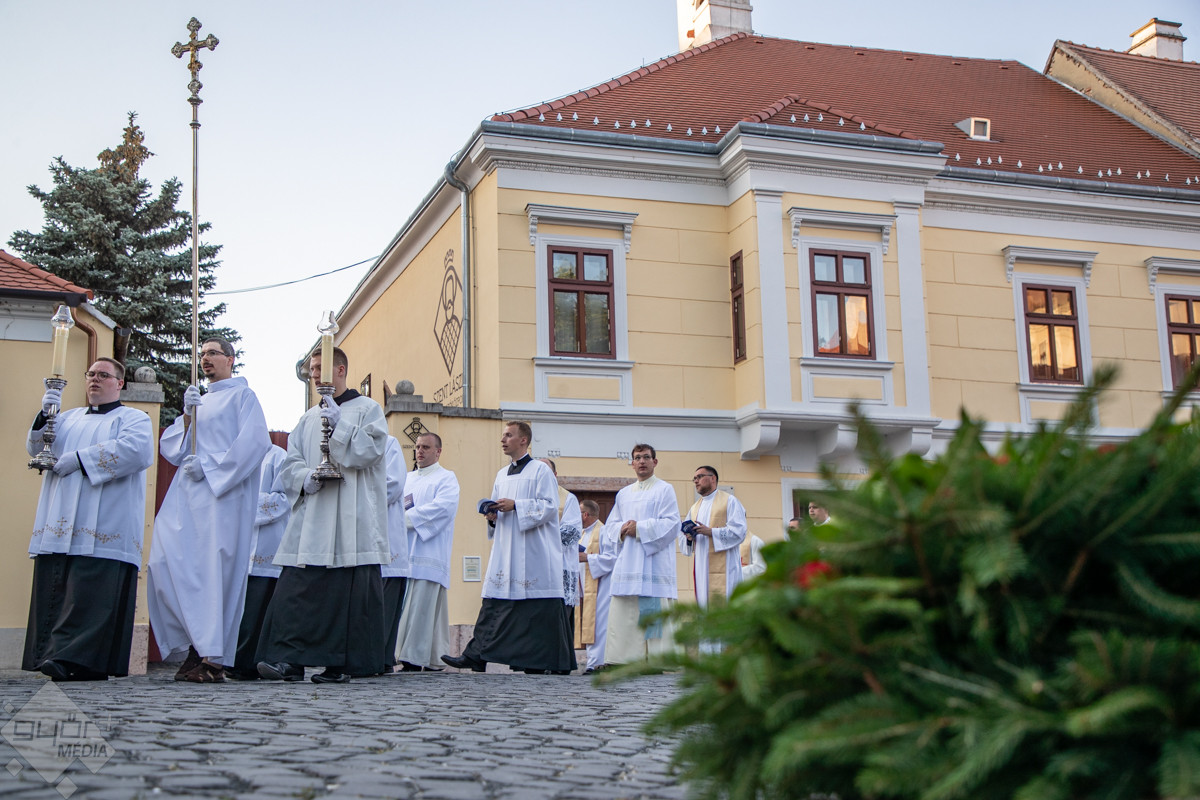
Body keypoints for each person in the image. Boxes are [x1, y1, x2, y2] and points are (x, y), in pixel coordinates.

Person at [256, 346, 390, 684]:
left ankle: (339, 665)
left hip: (350, 517)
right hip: (313, 516)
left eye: (319, 367)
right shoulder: (307, 418)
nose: (314, 374)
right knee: (297, 590)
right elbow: (291, 461)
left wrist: (341, 426)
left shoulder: (368, 409)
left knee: (344, 594)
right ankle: (289, 661)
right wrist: (305, 479)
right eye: (311, 369)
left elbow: (371, 452)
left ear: (340, 370)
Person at [22, 358, 155, 681]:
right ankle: (51, 655)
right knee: (57, 587)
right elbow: (37, 448)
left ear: (119, 383)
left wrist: (81, 460)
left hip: (105, 523)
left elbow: (137, 452)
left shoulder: (133, 418)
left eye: (103, 375)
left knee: (90, 594)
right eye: (91, 374)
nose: (95, 379)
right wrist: (44, 416)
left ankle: (73, 659)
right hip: (59, 518)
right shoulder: (66, 418)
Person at [148, 337, 271, 683]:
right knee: (164, 559)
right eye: (202, 354)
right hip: (188, 494)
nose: (205, 358)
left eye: (213, 353)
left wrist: (211, 467)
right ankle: (195, 640)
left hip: (223, 498)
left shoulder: (243, 397)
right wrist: (188, 416)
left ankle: (212, 657)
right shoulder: (198, 400)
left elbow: (255, 443)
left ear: (230, 360)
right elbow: (174, 450)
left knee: (214, 572)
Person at [442, 421, 574, 674]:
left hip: (534, 552)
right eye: (503, 435)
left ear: (523, 440)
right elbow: (498, 507)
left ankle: (542, 663)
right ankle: (476, 655)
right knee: (494, 604)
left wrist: (517, 505)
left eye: (508, 435)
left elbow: (549, 507)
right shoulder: (501, 474)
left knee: (536, 610)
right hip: (506, 549)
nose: (503, 440)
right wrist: (492, 516)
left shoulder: (540, 471)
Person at [603, 444, 679, 665]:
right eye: (637, 458)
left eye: (646, 457)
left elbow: (672, 523)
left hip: (653, 562)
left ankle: (657, 659)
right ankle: (623, 658)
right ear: (632, 463)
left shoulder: (664, 489)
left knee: (654, 607)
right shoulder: (623, 494)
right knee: (624, 611)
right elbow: (610, 526)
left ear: (655, 462)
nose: (642, 461)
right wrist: (621, 529)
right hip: (628, 562)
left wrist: (641, 529)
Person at [394, 432, 460, 671]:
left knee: (421, 611)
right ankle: (433, 657)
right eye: (417, 447)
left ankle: (412, 659)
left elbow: (443, 508)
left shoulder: (446, 478)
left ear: (438, 451)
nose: (419, 451)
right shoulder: (407, 478)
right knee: (413, 610)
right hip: (404, 553)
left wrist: (405, 519)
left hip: (429, 552)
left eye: (425, 447)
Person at [227, 444, 290, 680]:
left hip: (266, 545)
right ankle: (234, 660)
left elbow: (284, 498)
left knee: (258, 609)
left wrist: (245, 503)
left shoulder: (277, 457)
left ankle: (251, 662)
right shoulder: (235, 455)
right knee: (239, 609)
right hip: (238, 543)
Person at [679, 466, 747, 608]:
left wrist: (711, 532)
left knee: (726, 605)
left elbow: (739, 531)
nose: (696, 481)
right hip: (702, 566)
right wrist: (689, 538)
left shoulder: (730, 501)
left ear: (713, 478)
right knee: (705, 605)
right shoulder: (694, 508)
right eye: (694, 478)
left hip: (726, 567)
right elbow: (684, 539)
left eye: (699, 477)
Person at [539, 458, 582, 658]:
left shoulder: (568, 498)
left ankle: (559, 661)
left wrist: (539, 538)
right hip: (537, 567)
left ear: (555, 475)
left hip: (561, 566)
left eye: (546, 470)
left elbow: (571, 532)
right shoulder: (532, 497)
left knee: (559, 616)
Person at [380, 435, 410, 672]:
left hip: (388, 541)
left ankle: (381, 658)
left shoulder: (388, 443)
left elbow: (393, 485)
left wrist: (354, 497)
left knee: (385, 608)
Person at [578, 499, 615, 674]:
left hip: (600, 587)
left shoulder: (604, 531)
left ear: (585, 514)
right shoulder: (581, 533)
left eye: (578, 512)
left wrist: (588, 558)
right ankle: (591, 662)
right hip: (583, 586)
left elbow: (612, 558)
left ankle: (596, 663)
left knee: (598, 625)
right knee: (588, 624)